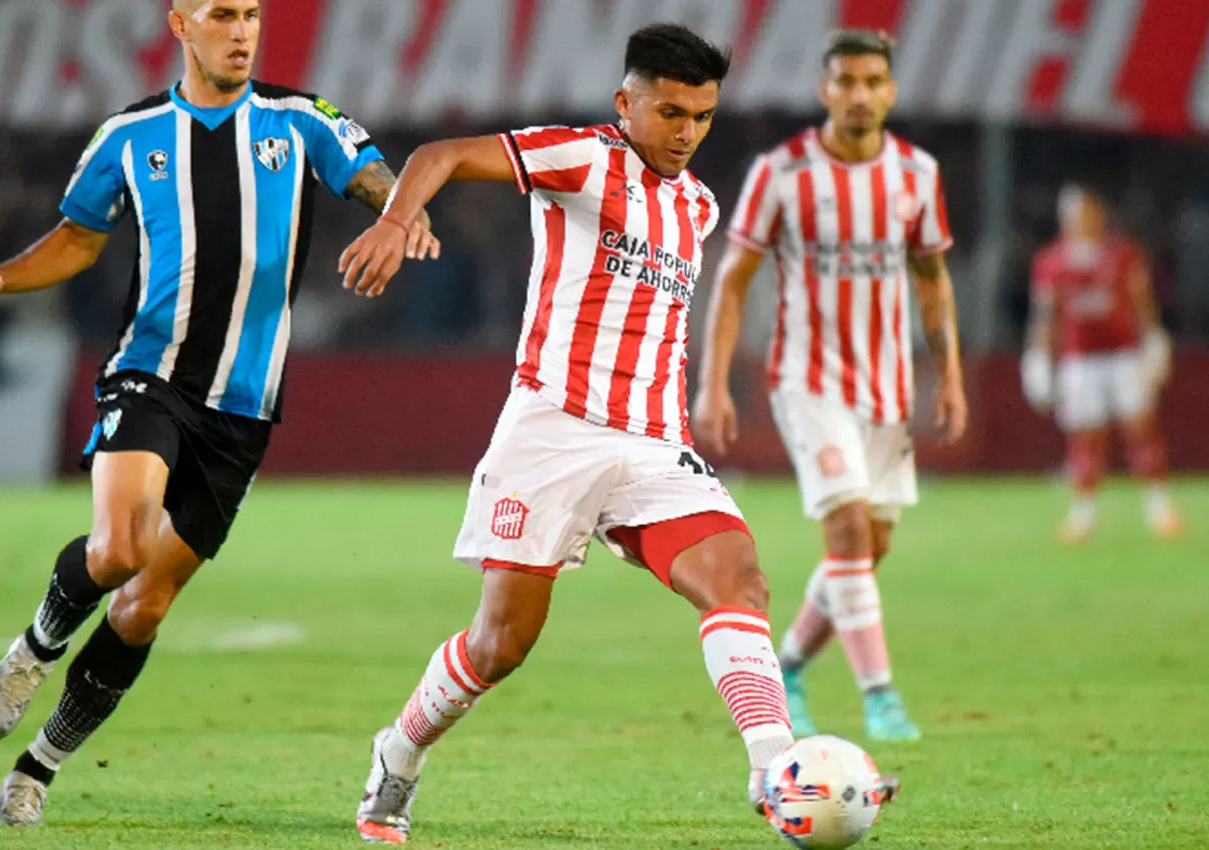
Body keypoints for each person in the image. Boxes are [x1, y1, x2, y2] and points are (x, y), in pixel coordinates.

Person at [338, 23, 858, 845]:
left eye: (704, 117)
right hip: (552, 431)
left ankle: (775, 767)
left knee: (739, 579)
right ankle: (397, 753)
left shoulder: (698, 205)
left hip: (653, 443)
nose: (687, 132)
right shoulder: (581, 157)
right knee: (501, 642)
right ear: (627, 102)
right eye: (672, 112)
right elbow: (441, 153)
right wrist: (400, 220)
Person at [0, 0, 438, 828]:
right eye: (222, 14)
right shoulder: (128, 138)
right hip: (151, 373)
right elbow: (77, 236)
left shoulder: (299, 118)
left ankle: (40, 766)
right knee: (120, 546)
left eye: (251, 14)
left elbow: (374, 175)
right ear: (180, 24)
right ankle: (34, 646)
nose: (242, 31)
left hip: (243, 408)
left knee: (144, 606)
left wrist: (400, 215)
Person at [693, 29, 967, 743]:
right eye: (845, 82)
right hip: (807, 381)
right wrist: (713, 383)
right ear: (825, 91)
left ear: (891, 91)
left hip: (888, 385)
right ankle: (881, 696)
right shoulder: (782, 173)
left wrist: (951, 379)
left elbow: (933, 282)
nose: (859, 95)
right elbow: (733, 282)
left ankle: (785, 666)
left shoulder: (916, 174)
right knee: (846, 529)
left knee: (867, 549)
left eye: (873, 82)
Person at [1022, 184, 1180, 542]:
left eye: (1086, 214)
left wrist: (1154, 340)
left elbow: (1142, 303)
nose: (1080, 222)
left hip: (1123, 355)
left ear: (1098, 215)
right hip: (1079, 360)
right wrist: (1038, 358)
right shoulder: (1052, 262)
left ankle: (1160, 509)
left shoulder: (1123, 254)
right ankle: (1084, 515)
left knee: (1140, 428)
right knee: (1085, 437)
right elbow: (1046, 317)